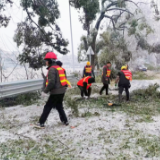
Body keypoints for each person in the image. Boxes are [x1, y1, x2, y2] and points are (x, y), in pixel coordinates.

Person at [35, 52, 69, 129]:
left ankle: (41, 123)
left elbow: (51, 82)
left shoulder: (52, 69)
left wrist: (45, 91)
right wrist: (65, 87)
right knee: (59, 106)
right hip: (62, 91)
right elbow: (65, 79)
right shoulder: (60, 68)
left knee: (47, 107)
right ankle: (65, 121)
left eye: (46, 60)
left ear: (50, 60)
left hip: (55, 92)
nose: (45, 62)